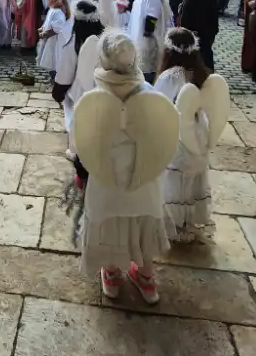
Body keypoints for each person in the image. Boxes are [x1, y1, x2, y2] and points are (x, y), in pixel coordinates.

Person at [72, 31, 178, 303]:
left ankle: (111, 275)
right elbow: (167, 142)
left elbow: (81, 146)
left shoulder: (93, 99)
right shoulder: (152, 95)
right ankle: (145, 278)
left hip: (107, 185)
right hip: (144, 182)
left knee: (109, 224)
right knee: (142, 223)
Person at [155, 28, 228, 242]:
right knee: (191, 180)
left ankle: (174, 223)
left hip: (177, 134)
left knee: (173, 180)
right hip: (198, 133)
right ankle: (187, 220)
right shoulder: (201, 72)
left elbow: (160, 106)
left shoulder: (170, 76)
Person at [53, 0, 103, 158]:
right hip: (103, 93)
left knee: (77, 123)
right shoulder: (106, 40)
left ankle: (76, 152)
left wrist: (58, 92)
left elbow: (65, 72)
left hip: (80, 95)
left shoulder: (74, 43)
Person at [179, 0, 219, 71]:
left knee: (204, 54)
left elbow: (205, 10)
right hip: (192, 28)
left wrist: (195, 29)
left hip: (201, 30)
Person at [127, 0, 168, 84]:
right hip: (138, 39)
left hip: (147, 40)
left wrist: (148, 32)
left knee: (147, 66)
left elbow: (152, 17)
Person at [37, 0, 71, 77]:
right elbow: (49, 23)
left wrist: (44, 33)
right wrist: (42, 28)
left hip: (55, 41)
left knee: (54, 59)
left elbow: (57, 28)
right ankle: (53, 76)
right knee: (50, 59)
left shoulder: (58, 12)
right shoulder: (52, 10)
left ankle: (55, 78)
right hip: (50, 41)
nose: (47, 1)